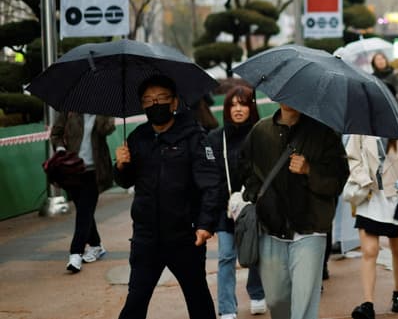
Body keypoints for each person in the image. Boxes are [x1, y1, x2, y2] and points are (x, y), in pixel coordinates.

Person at [114, 75, 224, 319]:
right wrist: (121, 165)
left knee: (198, 299)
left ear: (174, 102)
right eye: (148, 100)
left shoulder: (193, 136)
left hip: (184, 236)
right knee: (135, 301)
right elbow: (126, 181)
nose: (155, 104)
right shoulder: (137, 137)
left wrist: (205, 225)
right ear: (142, 105)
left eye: (161, 98)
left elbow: (211, 184)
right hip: (146, 238)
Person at [240, 103, 349, 319]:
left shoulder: (324, 133)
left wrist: (309, 169)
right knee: (276, 300)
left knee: (304, 302)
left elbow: (337, 180)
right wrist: (258, 198)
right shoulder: (260, 131)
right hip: (271, 227)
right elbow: (245, 168)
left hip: (311, 228)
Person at [345, 101, 398, 319]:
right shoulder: (361, 129)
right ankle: (367, 303)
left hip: (397, 198)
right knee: (369, 250)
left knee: (397, 249)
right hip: (369, 195)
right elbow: (352, 158)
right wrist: (363, 179)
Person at [206, 86, 267, 319]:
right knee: (226, 256)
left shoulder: (261, 134)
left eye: (243, 104)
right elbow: (211, 176)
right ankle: (227, 308)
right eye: (232, 105)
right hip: (226, 207)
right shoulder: (216, 138)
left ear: (251, 107)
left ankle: (257, 294)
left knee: (255, 252)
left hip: (254, 206)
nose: (238, 109)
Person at [50, 112, 115, 273]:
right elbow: (56, 134)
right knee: (84, 212)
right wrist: (60, 149)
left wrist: (101, 113)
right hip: (73, 170)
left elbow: (107, 129)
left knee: (84, 212)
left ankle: (75, 253)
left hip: (95, 171)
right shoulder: (69, 110)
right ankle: (96, 245)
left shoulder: (102, 111)